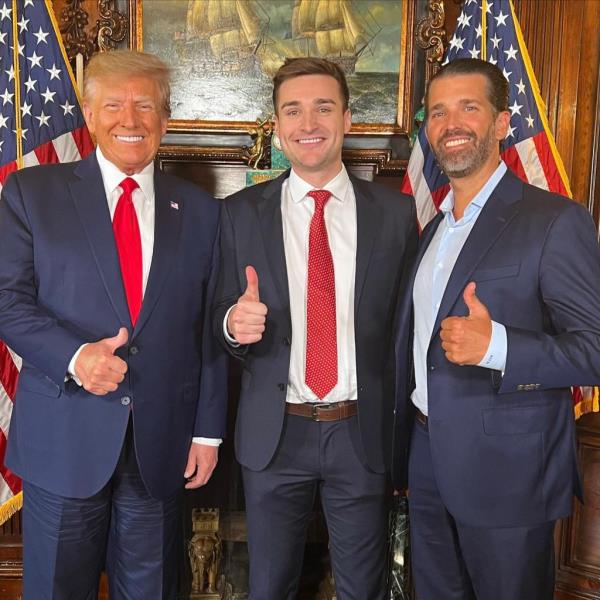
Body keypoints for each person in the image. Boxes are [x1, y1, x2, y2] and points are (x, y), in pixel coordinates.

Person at [0, 50, 227, 599]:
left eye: (145, 105)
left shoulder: (202, 210)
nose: (130, 120)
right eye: (114, 105)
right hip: (64, 437)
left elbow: (208, 329)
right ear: (90, 112)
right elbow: (9, 302)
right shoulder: (31, 194)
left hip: (162, 444)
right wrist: (77, 357)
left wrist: (206, 431)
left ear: (165, 120)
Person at [392, 57, 600, 600]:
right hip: (427, 455)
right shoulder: (435, 226)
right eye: (437, 112)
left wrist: (499, 346)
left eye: (468, 107)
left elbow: (594, 351)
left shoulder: (555, 220)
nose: (450, 123)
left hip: (510, 474)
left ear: (502, 123)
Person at [213, 57, 417, 600]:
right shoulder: (238, 214)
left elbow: (407, 328)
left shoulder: (396, 215)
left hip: (362, 432)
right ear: (277, 124)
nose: (308, 124)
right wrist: (233, 322)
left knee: (363, 588)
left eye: (323, 108)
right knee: (269, 586)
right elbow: (213, 315)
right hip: (275, 434)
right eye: (293, 111)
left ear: (347, 118)